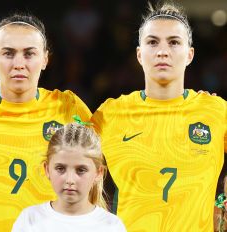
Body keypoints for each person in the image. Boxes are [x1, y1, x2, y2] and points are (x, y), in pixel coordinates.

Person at [0, 13, 92, 231]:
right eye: (8, 53)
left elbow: (95, 170)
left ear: (45, 59)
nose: (18, 63)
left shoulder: (68, 107)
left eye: (29, 54)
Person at [91, 2, 227, 231]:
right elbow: (68, 165)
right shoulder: (109, 114)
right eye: (152, 42)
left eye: (174, 42)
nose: (163, 51)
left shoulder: (216, 110)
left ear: (190, 54)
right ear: (139, 54)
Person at [11, 122, 126, 232]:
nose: (70, 180)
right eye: (60, 168)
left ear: (98, 173)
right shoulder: (30, 219)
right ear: (47, 169)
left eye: (81, 170)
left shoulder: (112, 226)